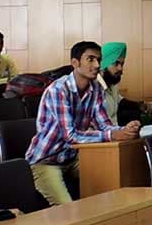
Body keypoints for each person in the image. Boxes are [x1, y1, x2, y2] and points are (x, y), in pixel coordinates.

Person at [25, 41, 141, 205]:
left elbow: (104, 125)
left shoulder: (96, 89)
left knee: (112, 183)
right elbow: (70, 137)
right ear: (75, 63)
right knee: (68, 209)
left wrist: (125, 130)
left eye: (98, 60)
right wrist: (113, 134)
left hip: (73, 158)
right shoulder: (58, 90)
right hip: (46, 161)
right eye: (90, 59)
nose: (96, 65)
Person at [97, 41, 152, 125]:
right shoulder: (93, 89)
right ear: (103, 65)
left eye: (122, 64)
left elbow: (119, 100)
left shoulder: (111, 82)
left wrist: (139, 105)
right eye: (116, 64)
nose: (120, 68)